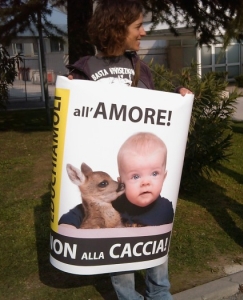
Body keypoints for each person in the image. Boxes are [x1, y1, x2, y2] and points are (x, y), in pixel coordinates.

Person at [65, 1, 191, 298]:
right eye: (137, 26)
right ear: (117, 29)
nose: (143, 32)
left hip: (144, 195)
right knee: (121, 270)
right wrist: (69, 92)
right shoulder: (83, 71)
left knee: (158, 268)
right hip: (117, 191)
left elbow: (156, 110)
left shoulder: (140, 68)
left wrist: (178, 99)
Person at [115, 132, 174, 227]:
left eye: (154, 174)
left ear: (164, 177)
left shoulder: (166, 208)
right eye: (136, 176)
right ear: (121, 184)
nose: (146, 182)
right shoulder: (116, 206)